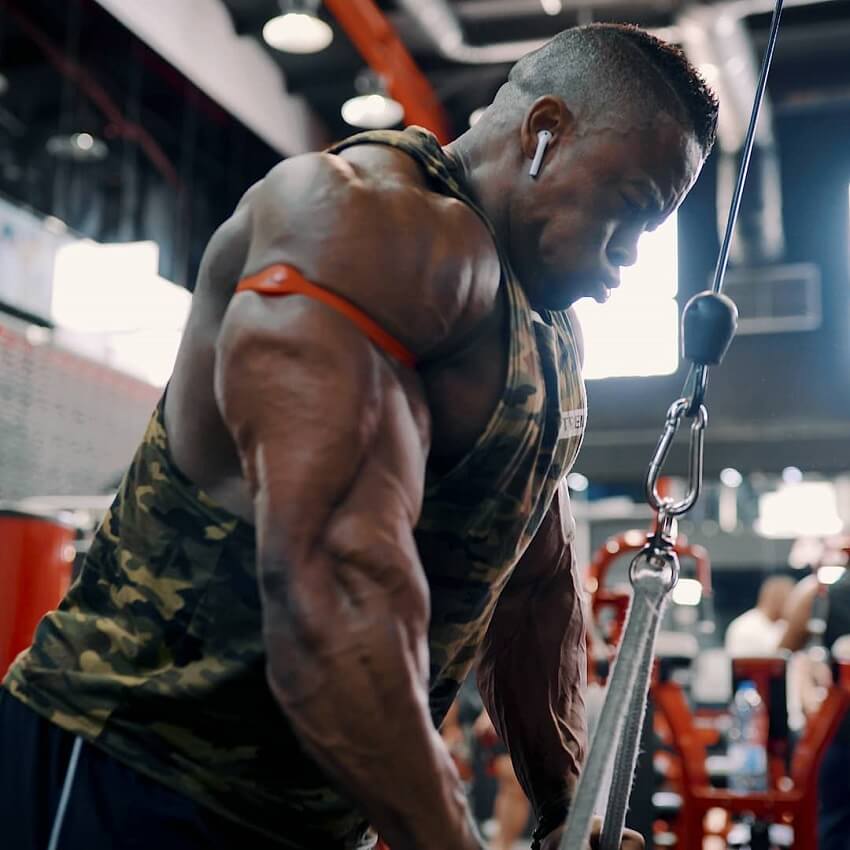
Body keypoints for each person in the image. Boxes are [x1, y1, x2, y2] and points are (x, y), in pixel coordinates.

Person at [0, 22, 717, 850]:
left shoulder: (548, 325)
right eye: (630, 212)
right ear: (545, 131)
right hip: (130, 777)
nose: (629, 257)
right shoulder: (358, 226)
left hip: (314, 818)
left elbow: (532, 584)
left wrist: (568, 803)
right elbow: (331, 596)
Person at [780, 561, 850, 850]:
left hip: (841, 734)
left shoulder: (820, 592)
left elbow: (785, 647)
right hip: (840, 732)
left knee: (835, 824)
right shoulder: (822, 592)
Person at [724, 576, 794, 656]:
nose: (794, 607)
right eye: (791, 601)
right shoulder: (745, 627)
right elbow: (775, 661)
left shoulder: (781, 625)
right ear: (776, 600)